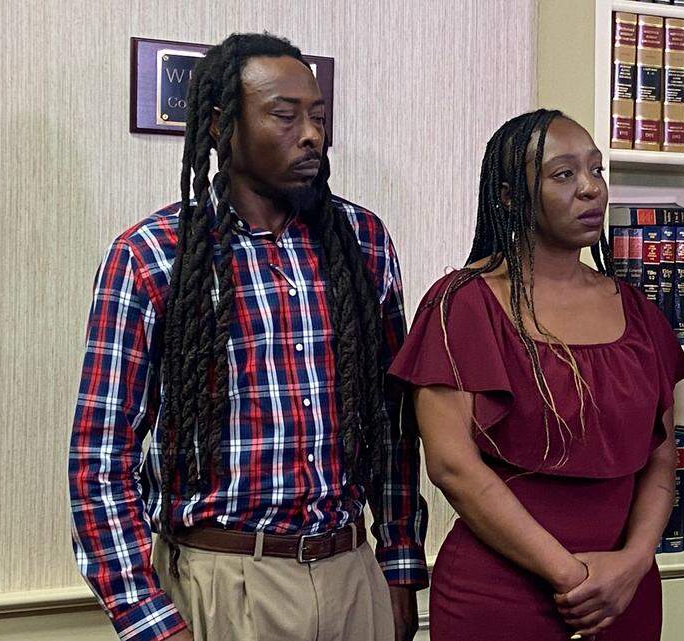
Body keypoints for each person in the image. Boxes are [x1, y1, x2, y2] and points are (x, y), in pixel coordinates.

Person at [69, 33, 426, 641]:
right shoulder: (152, 257)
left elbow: (392, 425)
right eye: (285, 116)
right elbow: (101, 457)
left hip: (352, 576)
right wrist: (147, 619)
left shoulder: (363, 243)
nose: (312, 134)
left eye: (318, 116)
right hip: (222, 582)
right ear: (220, 126)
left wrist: (397, 568)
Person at [388, 109, 684, 640]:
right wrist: (573, 577)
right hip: (504, 596)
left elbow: (662, 459)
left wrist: (635, 561)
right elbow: (452, 466)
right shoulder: (463, 303)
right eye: (564, 174)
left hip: (624, 593)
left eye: (596, 171)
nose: (591, 189)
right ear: (508, 197)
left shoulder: (640, 313)